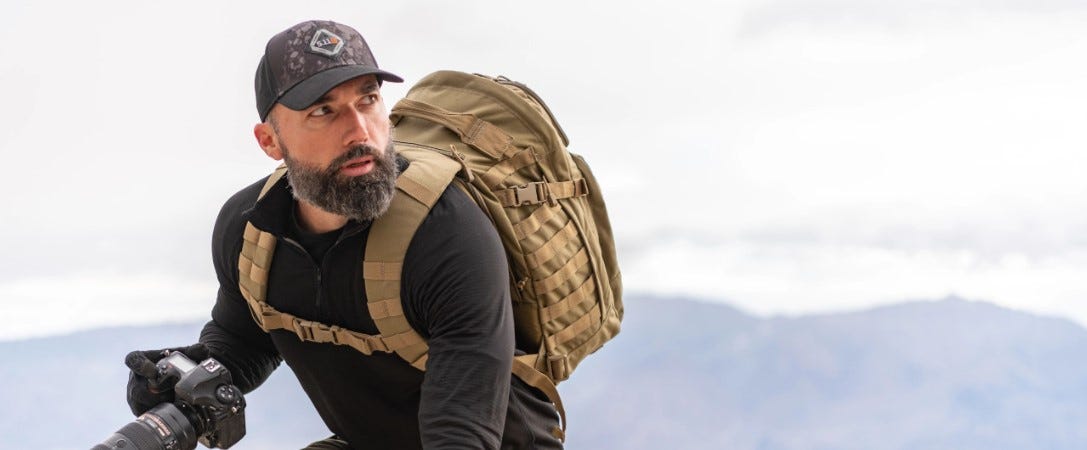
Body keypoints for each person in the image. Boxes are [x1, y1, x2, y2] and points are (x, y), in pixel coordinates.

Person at [124, 20, 563, 450]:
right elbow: (243, 340)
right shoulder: (249, 229)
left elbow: (461, 433)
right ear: (269, 141)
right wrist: (180, 386)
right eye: (323, 110)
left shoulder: (445, 236)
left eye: (368, 99)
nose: (359, 131)